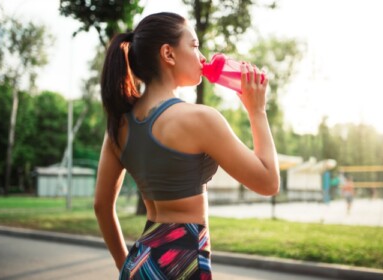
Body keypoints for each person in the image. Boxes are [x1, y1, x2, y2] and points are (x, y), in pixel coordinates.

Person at [94, 12, 280, 280]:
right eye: (194, 46)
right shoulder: (200, 119)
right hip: (182, 266)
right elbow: (268, 182)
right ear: (168, 54)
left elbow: (101, 205)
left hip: (139, 262)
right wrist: (257, 111)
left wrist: (126, 266)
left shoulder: (118, 124)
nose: (202, 56)